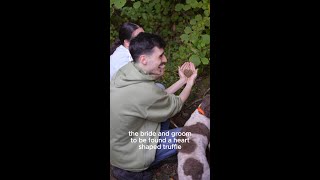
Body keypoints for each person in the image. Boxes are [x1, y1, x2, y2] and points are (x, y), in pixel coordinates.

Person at [110, 32, 198, 179]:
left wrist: (182, 81)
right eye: (160, 56)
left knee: (160, 88)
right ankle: (146, 165)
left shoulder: (126, 71)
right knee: (193, 134)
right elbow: (176, 104)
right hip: (132, 156)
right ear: (144, 59)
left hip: (120, 145)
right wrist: (190, 83)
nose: (165, 59)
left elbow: (157, 97)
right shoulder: (144, 92)